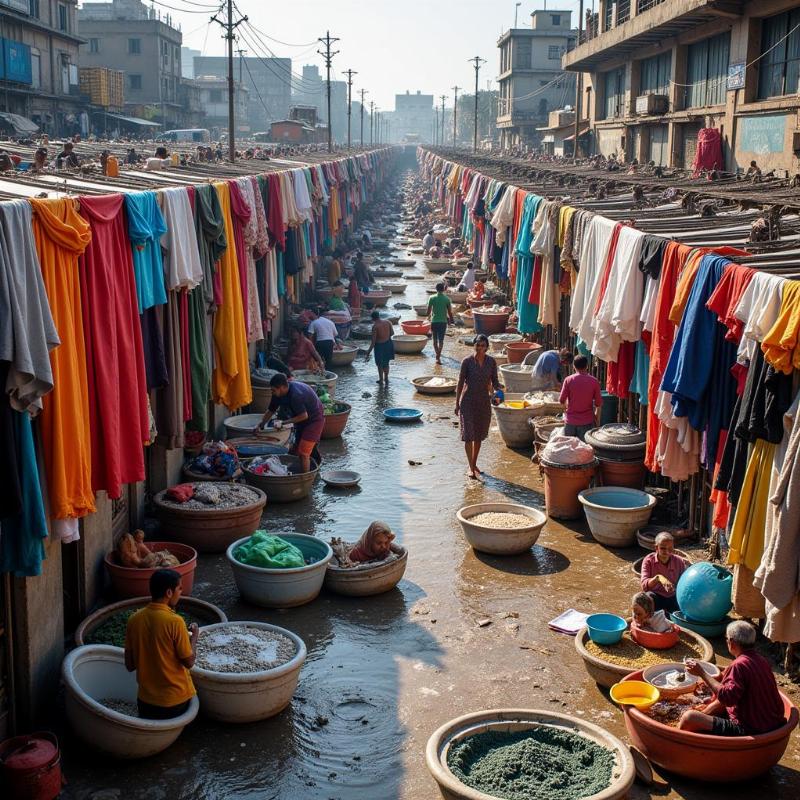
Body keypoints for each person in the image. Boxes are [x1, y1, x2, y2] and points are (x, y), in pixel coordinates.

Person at [679, 621, 785, 736]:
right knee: (716, 702)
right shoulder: (760, 660)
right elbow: (737, 676)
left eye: (726, 639)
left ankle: (676, 736)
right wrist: (715, 669)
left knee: (689, 718)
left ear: (732, 642)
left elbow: (726, 698)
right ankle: (704, 714)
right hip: (773, 722)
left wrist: (702, 673)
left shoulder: (738, 665)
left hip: (750, 729)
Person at [124, 569, 198, 720]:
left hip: (146, 702)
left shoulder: (134, 619)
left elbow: (130, 665)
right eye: (179, 588)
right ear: (169, 592)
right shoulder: (175, 622)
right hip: (174, 701)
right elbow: (189, 662)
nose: (181, 592)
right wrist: (194, 637)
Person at [256, 373, 324, 473]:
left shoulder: (296, 395)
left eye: (274, 390)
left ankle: (304, 480)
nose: (272, 392)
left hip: (314, 420)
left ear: (282, 387)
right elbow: (271, 410)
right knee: (295, 450)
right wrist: (261, 425)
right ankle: (309, 466)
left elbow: (304, 416)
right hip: (301, 420)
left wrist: (283, 423)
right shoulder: (277, 394)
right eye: (272, 390)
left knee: (304, 453)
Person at [456, 334, 500, 480]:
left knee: (479, 436)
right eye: (478, 345)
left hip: (483, 402)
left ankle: (474, 463)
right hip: (467, 401)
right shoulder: (467, 362)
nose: (480, 348)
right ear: (473, 345)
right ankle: (470, 466)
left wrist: (500, 391)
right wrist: (456, 403)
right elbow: (460, 383)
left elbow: (495, 381)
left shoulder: (491, 362)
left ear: (487, 347)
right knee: (468, 435)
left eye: (483, 345)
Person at [639, 531, 688, 613]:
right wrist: (658, 578)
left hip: (673, 597)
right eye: (663, 548)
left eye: (670, 548)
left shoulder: (679, 561)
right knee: (647, 598)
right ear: (656, 548)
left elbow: (684, 584)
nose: (667, 551)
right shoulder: (648, 560)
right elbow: (644, 586)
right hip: (656, 596)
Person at [559, 355, 602, 440]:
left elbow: (561, 400)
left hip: (570, 423)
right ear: (587, 366)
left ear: (574, 366)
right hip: (587, 423)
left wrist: (566, 411)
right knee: (585, 451)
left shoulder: (568, 380)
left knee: (570, 450)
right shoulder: (594, 381)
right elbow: (598, 404)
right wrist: (597, 420)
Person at [427, 281, 454, 364]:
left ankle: (437, 356)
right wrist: (452, 320)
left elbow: (428, 312)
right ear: (444, 289)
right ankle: (438, 356)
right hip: (443, 322)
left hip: (434, 321)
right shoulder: (447, 299)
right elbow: (449, 312)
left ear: (436, 289)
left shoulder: (431, 298)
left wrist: (428, 316)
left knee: (435, 340)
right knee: (441, 340)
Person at [365, 310, 395, 385]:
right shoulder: (388, 322)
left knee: (380, 364)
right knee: (386, 362)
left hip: (380, 346)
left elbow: (373, 342)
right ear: (379, 316)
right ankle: (386, 378)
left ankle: (381, 380)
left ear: (372, 319)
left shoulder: (375, 327)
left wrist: (368, 352)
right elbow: (392, 333)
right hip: (388, 344)